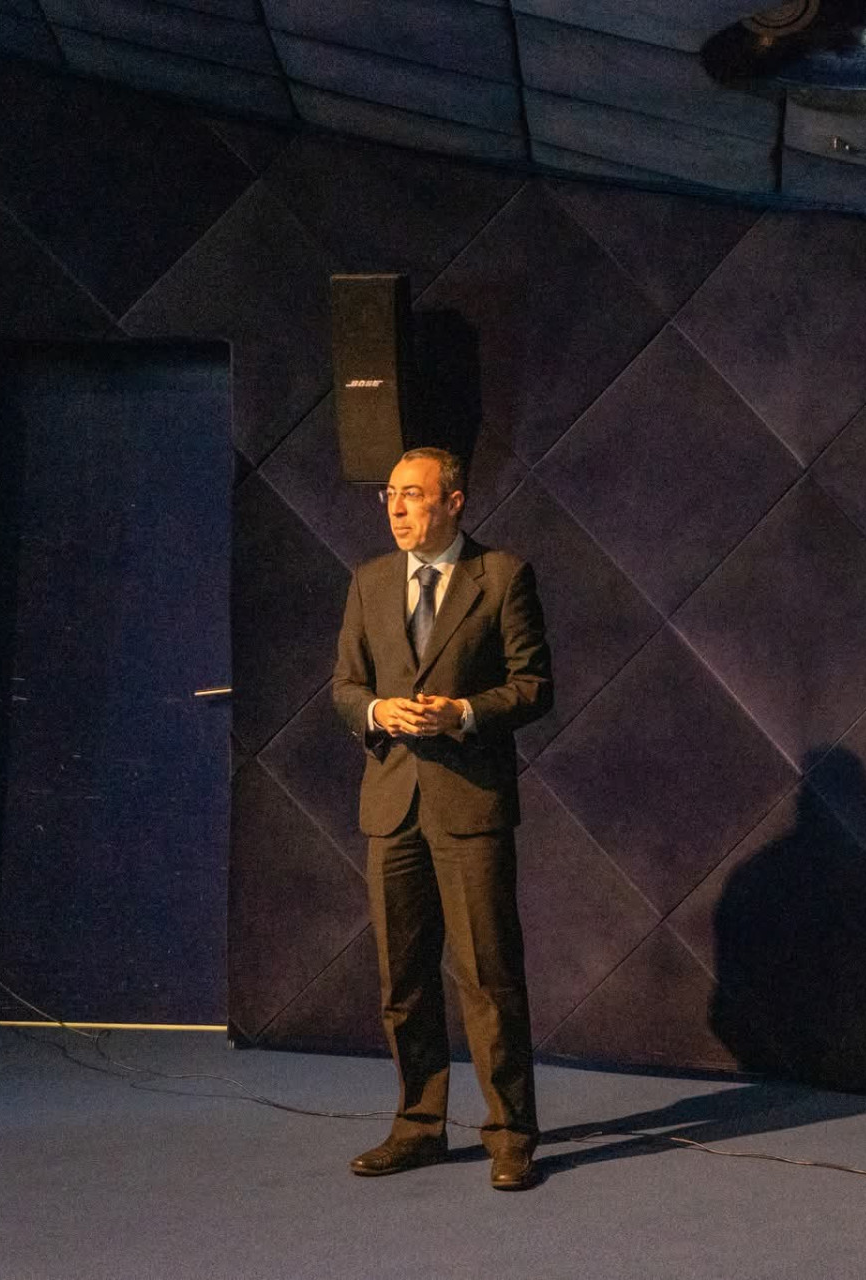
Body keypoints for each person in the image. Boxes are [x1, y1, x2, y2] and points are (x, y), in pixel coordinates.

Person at [331, 446, 552, 1189]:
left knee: (489, 976)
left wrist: (463, 711)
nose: (396, 508)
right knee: (403, 979)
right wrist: (375, 711)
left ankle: (511, 1134)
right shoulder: (368, 582)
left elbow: (534, 685)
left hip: (469, 805)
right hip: (391, 805)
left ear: (454, 502)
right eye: (390, 495)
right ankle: (418, 1126)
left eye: (413, 495)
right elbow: (345, 686)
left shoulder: (502, 576)